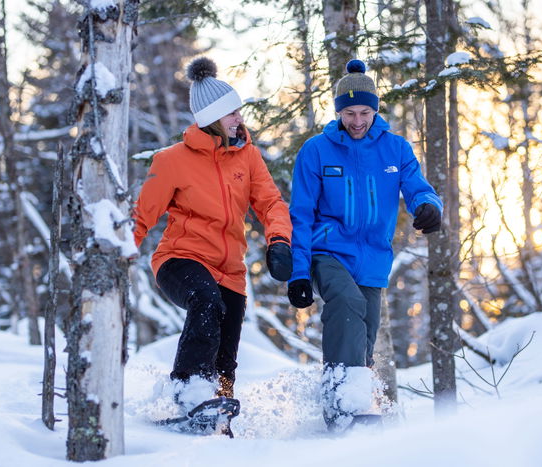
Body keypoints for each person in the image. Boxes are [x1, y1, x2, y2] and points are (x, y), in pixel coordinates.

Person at [287, 59, 443, 431]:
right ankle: (342, 408)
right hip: (328, 251)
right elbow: (301, 213)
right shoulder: (317, 150)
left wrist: (429, 207)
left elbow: (418, 187)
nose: (357, 121)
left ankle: (353, 412)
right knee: (346, 302)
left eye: (365, 112)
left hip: (373, 259)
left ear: (376, 110)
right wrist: (298, 271)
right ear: (338, 112)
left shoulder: (396, 149)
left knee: (366, 335)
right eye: (349, 113)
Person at [134, 57, 293, 411]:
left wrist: (279, 240)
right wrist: (116, 256)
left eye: (238, 111)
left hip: (231, 271)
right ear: (210, 120)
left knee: (225, 356)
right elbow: (141, 216)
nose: (240, 118)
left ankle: (217, 414)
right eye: (231, 113)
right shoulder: (171, 160)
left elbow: (270, 203)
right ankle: (187, 393)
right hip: (180, 259)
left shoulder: (248, 157)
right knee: (206, 303)